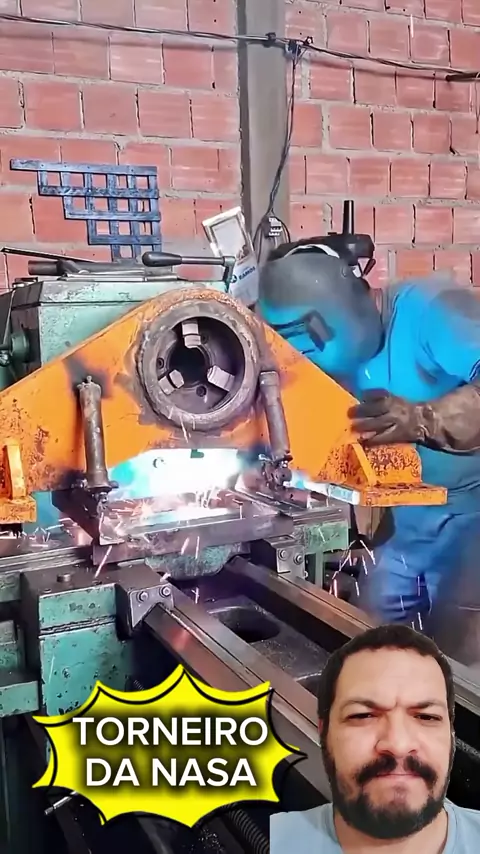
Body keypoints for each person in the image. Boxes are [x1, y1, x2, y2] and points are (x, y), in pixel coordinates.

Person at [257, 243, 480, 633]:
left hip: (473, 516)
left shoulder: (431, 310)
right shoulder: (321, 357)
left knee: (458, 641)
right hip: (410, 521)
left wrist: (424, 419)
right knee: (365, 629)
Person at [270, 623, 480, 853]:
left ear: (451, 735)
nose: (398, 745)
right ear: (324, 733)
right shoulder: (274, 841)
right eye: (363, 715)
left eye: (426, 717)